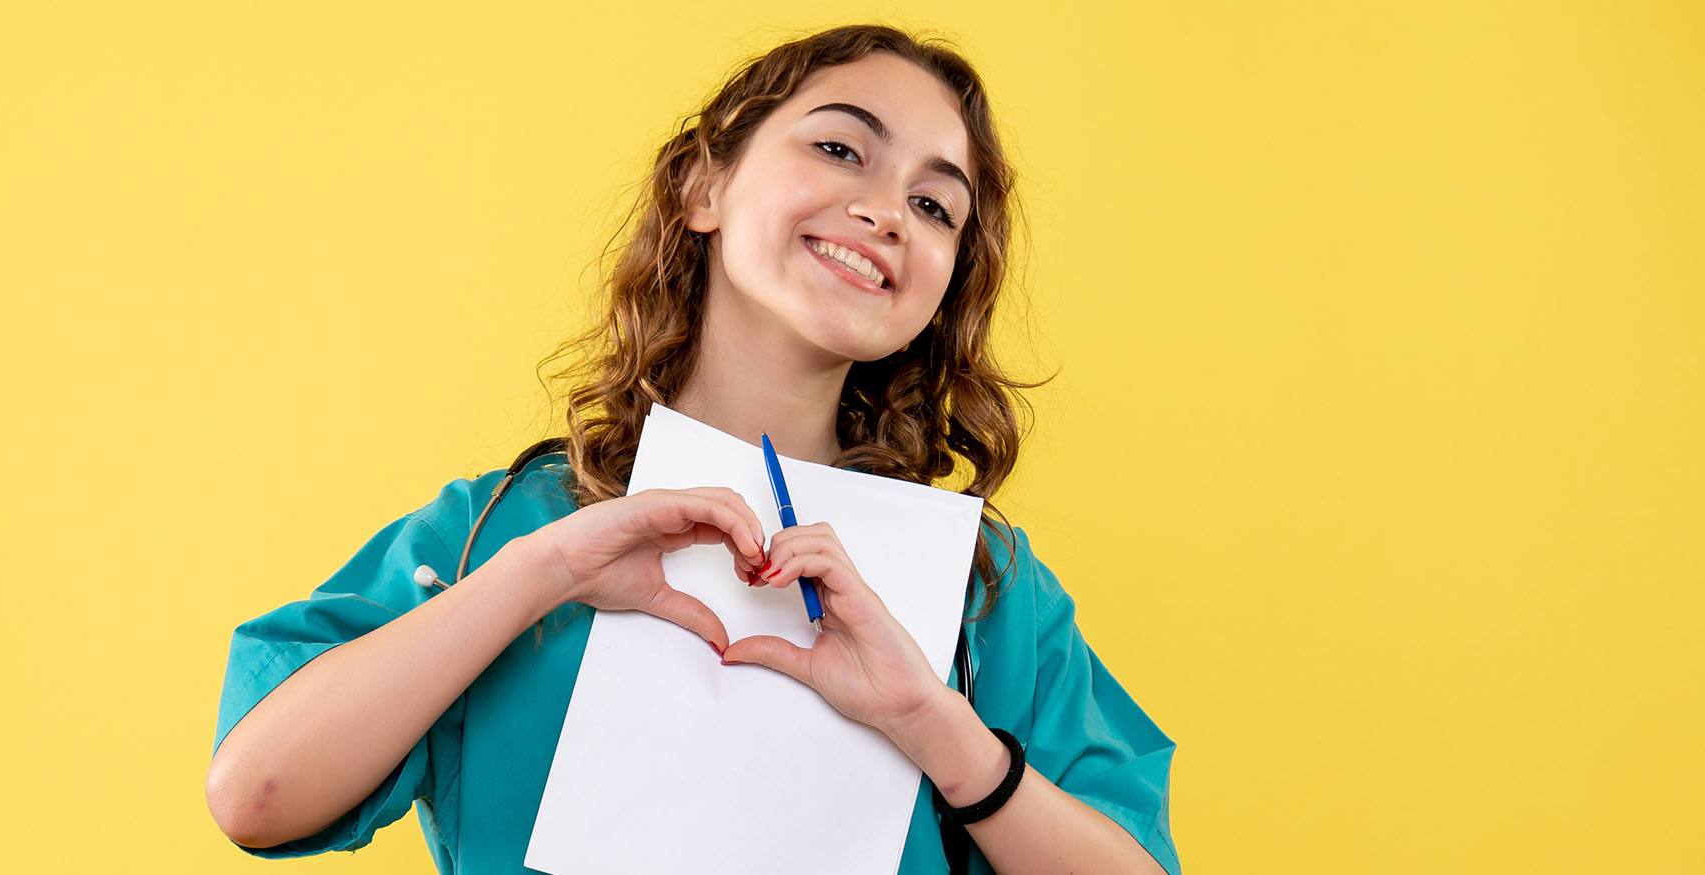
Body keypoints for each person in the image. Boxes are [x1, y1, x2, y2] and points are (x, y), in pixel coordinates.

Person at [205, 24, 1180, 875]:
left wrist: (930, 721)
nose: (887, 210)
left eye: (935, 207)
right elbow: (256, 794)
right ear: (698, 185)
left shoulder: (982, 595)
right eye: (841, 148)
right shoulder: (501, 530)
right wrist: (541, 571)